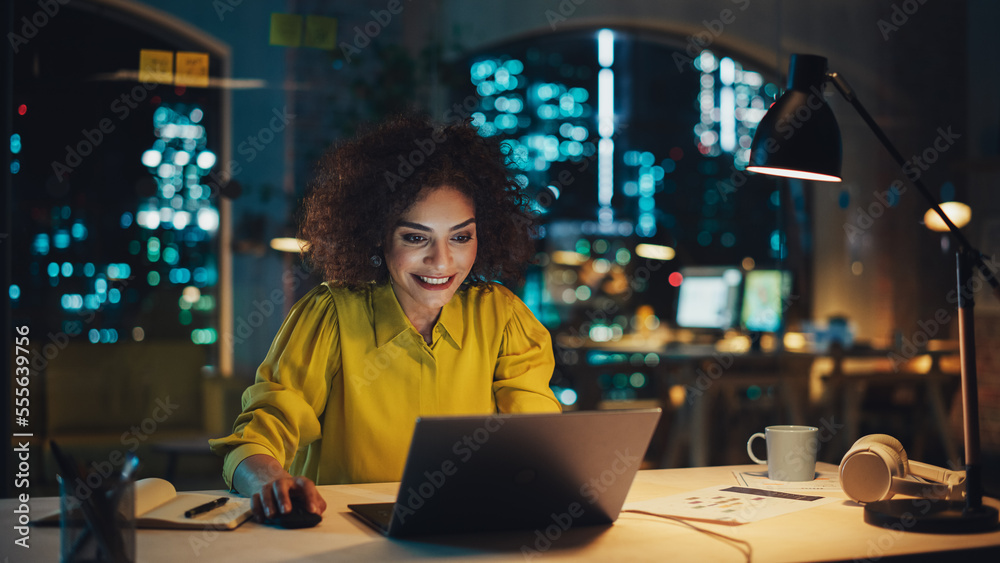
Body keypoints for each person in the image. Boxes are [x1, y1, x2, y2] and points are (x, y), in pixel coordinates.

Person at [209, 114, 562, 522]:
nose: (441, 261)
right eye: (415, 237)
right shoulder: (331, 316)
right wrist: (268, 479)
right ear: (378, 234)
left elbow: (537, 440)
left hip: (464, 535)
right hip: (344, 540)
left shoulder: (503, 316)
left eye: (460, 237)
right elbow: (261, 432)